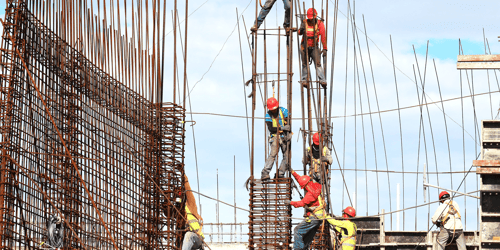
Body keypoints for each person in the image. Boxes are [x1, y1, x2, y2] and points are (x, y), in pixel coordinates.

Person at [289, 170, 326, 250]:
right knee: (307, 237)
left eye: (304, 187)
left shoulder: (310, 195)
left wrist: (290, 202)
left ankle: (298, 249)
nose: (304, 189)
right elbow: (301, 180)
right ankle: (304, 248)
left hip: (314, 218)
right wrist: (293, 172)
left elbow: (301, 203)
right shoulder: (316, 186)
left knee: (297, 231)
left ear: (306, 186)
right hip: (319, 218)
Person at [262, 97, 290, 180]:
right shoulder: (268, 115)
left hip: (284, 137)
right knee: (273, 155)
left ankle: (280, 173)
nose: (273, 110)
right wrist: (282, 128)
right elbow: (271, 129)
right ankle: (265, 173)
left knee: (287, 156)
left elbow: (289, 122)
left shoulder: (284, 111)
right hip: (275, 137)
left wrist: (287, 128)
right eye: (272, 109)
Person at [298, 8, 327, 88]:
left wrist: (324, 48)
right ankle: (304, 80)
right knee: (304, 64)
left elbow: (323, 36)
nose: (310, 20)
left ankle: (322, 80)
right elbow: (299, 33)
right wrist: (301, 29)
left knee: (318, 64)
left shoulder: (319, 23)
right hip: (304, 47)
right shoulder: (304, 22)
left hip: (314, 47)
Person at [181, 176, 205, 250]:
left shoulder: (190, 206)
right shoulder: (179, 211)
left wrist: (185, 179)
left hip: (197, 237)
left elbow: (189, 192)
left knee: (189, 235)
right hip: (188, 241)